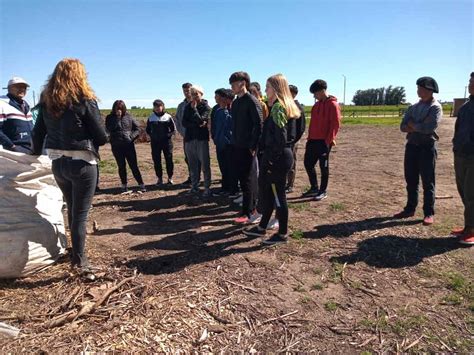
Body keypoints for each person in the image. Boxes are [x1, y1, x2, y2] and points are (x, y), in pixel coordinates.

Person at [31, 58, 108, 280]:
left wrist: (33, 154)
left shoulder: (48, 101)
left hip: (58, 163)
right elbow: (101, 137)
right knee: (80, 214)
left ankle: (76, 252)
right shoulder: (84, 100)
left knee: (72, 209)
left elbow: (38, 134)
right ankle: (81, 261)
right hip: (82, 162)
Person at [243, 74, 300, 245]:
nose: (265, 91)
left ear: (276, 89)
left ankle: (282, 234)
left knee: (277, 196)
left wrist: (270, 161)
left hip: (277, 158)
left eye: (267, 87)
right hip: (279, 156)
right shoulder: (281, 106)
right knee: (268, 193)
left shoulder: (278, 108)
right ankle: (262, 227)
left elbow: (280, 139)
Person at [394, 77, 442, 225]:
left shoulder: (435, 107)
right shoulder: (413, 107)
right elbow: (402, 126)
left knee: (428, 182)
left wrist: (413, 125)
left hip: (427, 148)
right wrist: (418, 126)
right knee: (411, 180)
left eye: (420, 88)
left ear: (429, 90)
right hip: (412, 146)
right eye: (418, 88)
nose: (418, 91)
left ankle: (429, 213)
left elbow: (429, 128)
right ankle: (410, 208)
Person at [229, 71, 263, 223]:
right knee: (242, 179)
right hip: (237, 145)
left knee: (249, 180)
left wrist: (253, 145)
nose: (232, 87)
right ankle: (246, 209)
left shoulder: (252, 101)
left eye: (233, 84)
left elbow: (258, 124)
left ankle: (251, 212)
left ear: (243, 83)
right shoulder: (236, 102)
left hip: (248, 147)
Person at [303, 79, 341, 201]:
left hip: (324, 142)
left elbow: (335, 124)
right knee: (308, 163)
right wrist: (309, 138)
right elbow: (313, 124)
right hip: (313, 140)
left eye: (315, 93)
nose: (314, 96)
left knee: (323, 166)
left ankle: (322, 191)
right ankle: (314, 187)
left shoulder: (333, 105)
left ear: (322, 91)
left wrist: (328, 141)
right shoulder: (316, 106)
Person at [451, 72, 474, 245]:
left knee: (471, 193)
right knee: (464, 191)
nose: (471, 84)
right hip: (461, 154)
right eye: (470, 81)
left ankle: (471, 230)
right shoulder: (466, 107)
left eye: (473, 82)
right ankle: (468, 226)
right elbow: (458, 130)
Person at [105, 100, 146, 192]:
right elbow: (109, 129)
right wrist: (117, 119)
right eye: (117, 109)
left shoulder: (128, 117)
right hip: (116, 145)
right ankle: (124, 185)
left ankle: (141, 184)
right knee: (121, 166)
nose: (118, 110)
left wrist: (131, 137)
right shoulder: (110, 118)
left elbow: (138, 129)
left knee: (134, 165)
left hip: (128, 145)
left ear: (123, 108)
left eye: (120, 109)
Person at [182, 85, 212, 197]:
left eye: (196, 94)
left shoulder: (206, 107)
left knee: (205, 164)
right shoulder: (187, 107)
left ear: (201, 94)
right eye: (192, 94)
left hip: (201, 139)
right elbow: (184, 122)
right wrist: (197, 124)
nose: (194, 96)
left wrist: (194, 110)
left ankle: (207, 188)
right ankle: (194, 186)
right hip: (189, 139)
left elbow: (202, 120)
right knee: (192, 164)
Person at [211, 88, 236, 195]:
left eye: (217, 96)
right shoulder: (217, 109)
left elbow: (230, 124)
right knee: (223, 167)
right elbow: (214, 125)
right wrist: (215, 138)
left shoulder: (232, 109)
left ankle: (232, 189)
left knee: (230, 167)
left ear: (223, 98)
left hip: (229, 144)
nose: (215, 98)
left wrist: (224, 111)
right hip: (220, 142)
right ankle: (224, 187)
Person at [0, 76, 33, 153]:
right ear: (9, 88)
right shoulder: (2, 104)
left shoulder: (26, 105)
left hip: (30, 149)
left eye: (24, 87)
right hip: (13, 152)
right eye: (18, 87)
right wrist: (11, 146)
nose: (22, 89)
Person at [146, 99, 175, 186]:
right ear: (154, 108)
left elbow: (173, 130)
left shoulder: (168, 117)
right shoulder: (151, 118)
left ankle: (170, 178)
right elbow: (148, 130)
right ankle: (159, 178)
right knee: (156, 160)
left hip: (167, 143)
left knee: (169, 160)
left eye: (159, 106)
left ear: (163, 106)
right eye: (156, 106)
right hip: (155, 143)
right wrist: (152, 136)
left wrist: (167, 136)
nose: (158, 108)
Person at [286, 84, 306, 193]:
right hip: (286, 141)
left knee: (291, 162)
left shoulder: (298, 108)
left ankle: (290, 185)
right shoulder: (286, 105)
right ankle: (285, 183)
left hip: (293, 141)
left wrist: (294, 140)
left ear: (294, 94)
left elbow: (301, 128)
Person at [175, 82, 195, 185]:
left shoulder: (198, 103)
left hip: (197, 136)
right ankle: (191, 177)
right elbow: (177, 120)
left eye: (188, 90)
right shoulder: (181, 106)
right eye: (184, 91)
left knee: (199, 158)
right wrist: (182, 132)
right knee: (188, 157)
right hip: (186, 136)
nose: (186, 93)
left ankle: (199, 179)